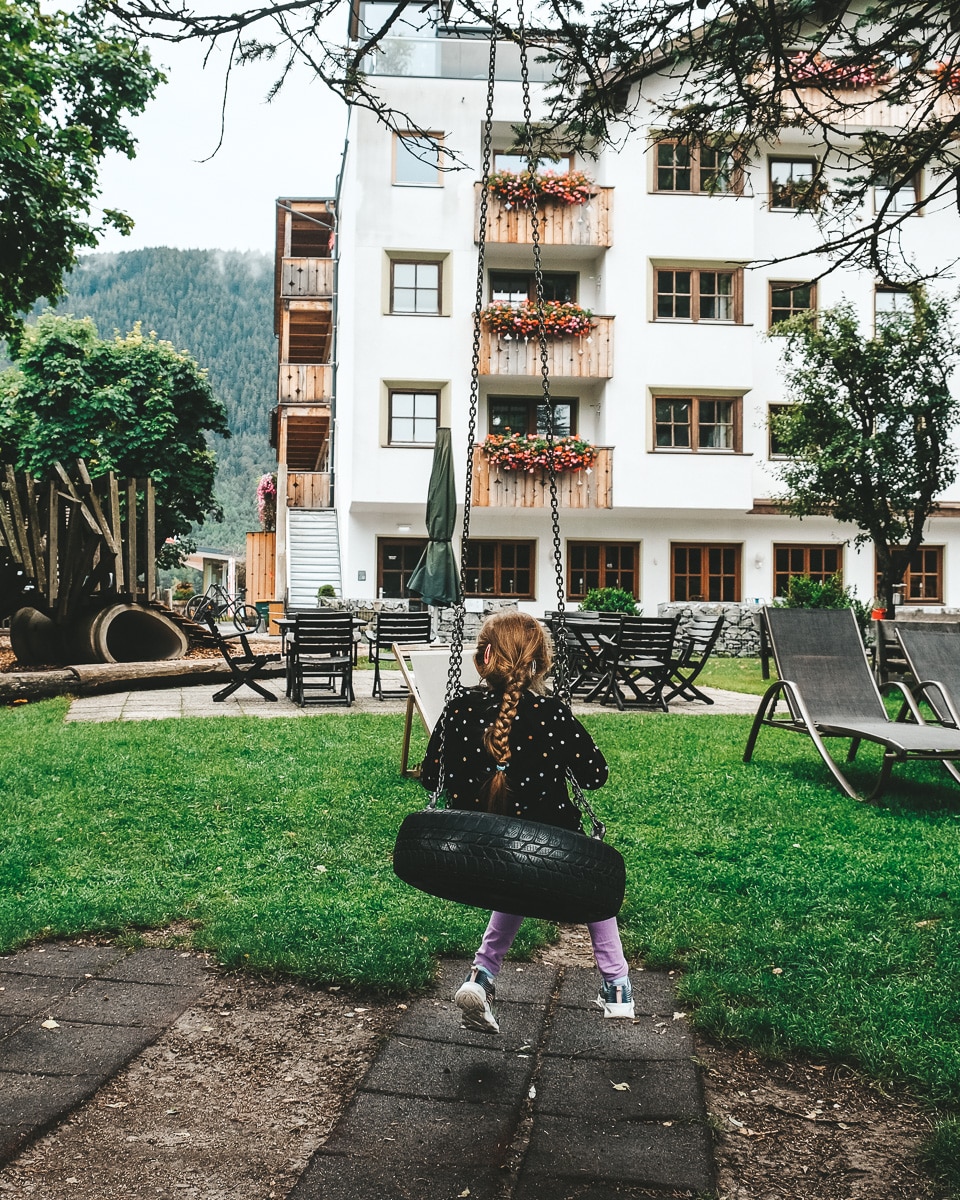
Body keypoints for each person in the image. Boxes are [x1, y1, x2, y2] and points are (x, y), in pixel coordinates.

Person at [420, 610, 633, 1034]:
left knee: (512, 867)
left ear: (483, 659)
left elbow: (430, 776)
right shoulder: (551, 714)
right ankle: (617, 984)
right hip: (549, 860)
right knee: (592, 874)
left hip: (471, 852)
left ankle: (481, 977)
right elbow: (595, 776)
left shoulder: (459, 708)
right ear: (542, 663)